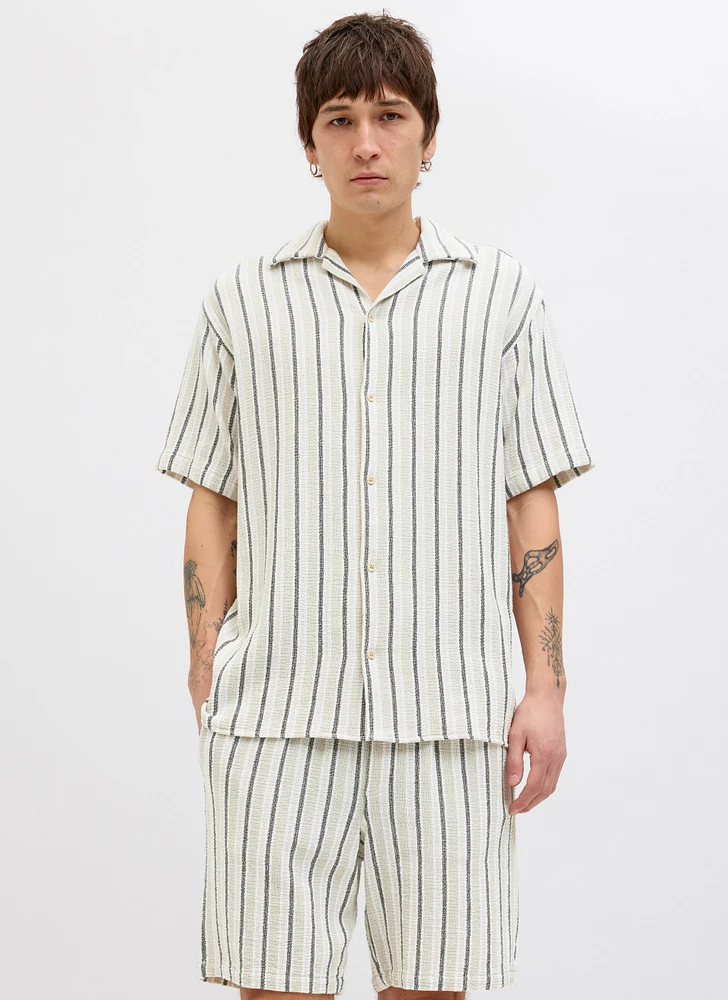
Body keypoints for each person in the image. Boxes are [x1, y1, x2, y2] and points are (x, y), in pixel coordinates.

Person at [155, 12, 596, 1000]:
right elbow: (212, 499)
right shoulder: (241, 303)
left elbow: (530, 506)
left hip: (446, 726)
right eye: (340, 119)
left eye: (390, 116)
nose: (366, 142)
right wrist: (205, 662)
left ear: (428, 137)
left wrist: (547, 690)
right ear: (308, 143)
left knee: (433, 989)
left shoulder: (502, 300)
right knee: (275, 986)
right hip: (277, 720)